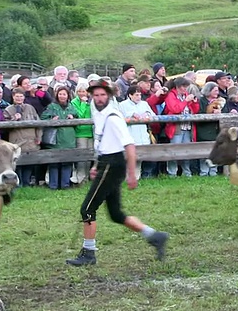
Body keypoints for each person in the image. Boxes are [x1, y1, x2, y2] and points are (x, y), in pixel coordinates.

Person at [66, 79, 169, 266]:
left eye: (102, 95)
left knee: (87, 208)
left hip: (113, 164)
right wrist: (96, 164)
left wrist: (131, 174)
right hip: (106, 162)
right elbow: (103, 142)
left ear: (109, 96)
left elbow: (129, 145)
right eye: (95, 95)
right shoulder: (98, 113)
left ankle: (88, 253)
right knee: (115, 214)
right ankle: (155, 236)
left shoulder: (113, 117)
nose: (98, 98)